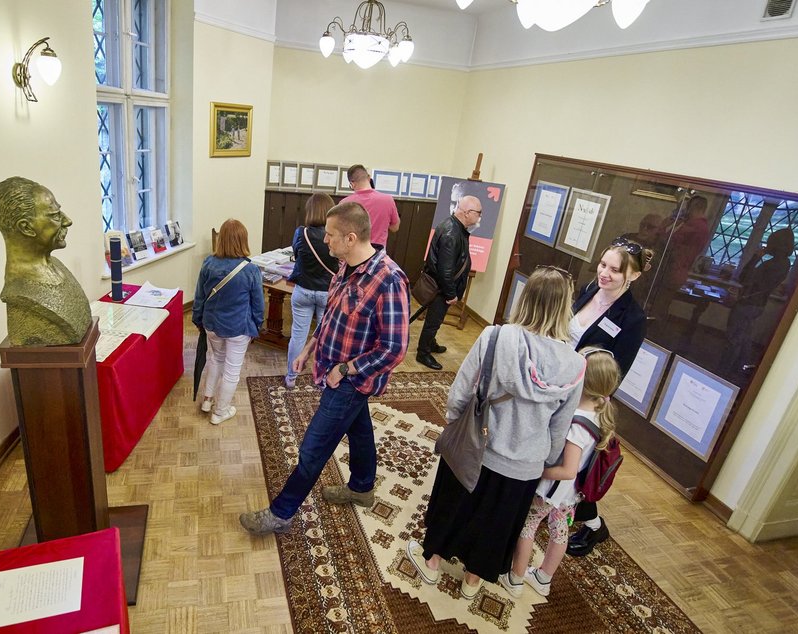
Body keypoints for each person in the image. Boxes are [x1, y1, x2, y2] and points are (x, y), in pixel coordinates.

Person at [405, 266, 586, 600]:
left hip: (477, 445)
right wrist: (544, 460)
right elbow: (560, 425)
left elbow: (461, 390)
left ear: (526, 298)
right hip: (525, 463)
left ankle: (432, 562)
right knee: (497, 522)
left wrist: (453, 422)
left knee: (454, 505)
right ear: (565, 308)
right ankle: (472, 580)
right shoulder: (575, 365)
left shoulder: (496, 337)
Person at [240, 202, 410, 535]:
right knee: (360, 430)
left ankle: (281, 513)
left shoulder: (389, 280)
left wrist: (346, 370)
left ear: (351, 237)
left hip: (350, 380)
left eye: (331, 235)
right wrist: (308, 348)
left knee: (313, 449)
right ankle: (362, 488)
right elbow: (332, 316)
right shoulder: (345, 266)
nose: (325, 240)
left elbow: (394, 349)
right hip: (334, 368)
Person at [498, 347, 622, 598]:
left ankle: (515, 578)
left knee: (528, 525)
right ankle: (543, 578)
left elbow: (568, 470)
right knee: (559, 530)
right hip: (570, 495)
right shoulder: (599, 413)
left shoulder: (577, 423)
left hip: (551, 490)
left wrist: (539, 471)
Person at [566, 236, 654, 557]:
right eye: (603, 265)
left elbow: (615, 375)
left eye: (614, 270)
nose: (604, 273)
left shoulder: (633, 319)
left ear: (634, 275)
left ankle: (594, 526)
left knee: (574, 467)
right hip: (561, 383)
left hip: (585, 398)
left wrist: (584, 403)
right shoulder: (590, 289)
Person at [0, 176, 92, 346]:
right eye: (55, 216)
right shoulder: (19, 294)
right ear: (26, 227)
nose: (67, 221)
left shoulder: (58, 266)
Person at [192, 219, 264, 425]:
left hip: (212, 324)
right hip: (238, 327)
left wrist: (198, 320)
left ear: (221, 239)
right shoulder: (251, 270)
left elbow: (199, 297)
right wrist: (257, 326)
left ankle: (207, 400)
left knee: (216, 359)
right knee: (232, 370)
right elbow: (258, 305)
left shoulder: (208, 263)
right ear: (243, 240)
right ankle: (220, 412)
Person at [416, 195, 482, 370]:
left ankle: (430, 343)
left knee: (436, 319)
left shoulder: (454, 226)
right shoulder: (452, 233)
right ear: (467, 213)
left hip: (442, 287)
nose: (480, 217)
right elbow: (445, 270)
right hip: (441, 288)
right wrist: (451, 294)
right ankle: (423, 353)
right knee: (433, 321)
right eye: (478, 213)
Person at [285, 193, 340, 389]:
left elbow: (296, 254)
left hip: (303, 290)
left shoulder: (301, 233)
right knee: (325, 338)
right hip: (327, 293)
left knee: (298, 335)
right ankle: (322, 379)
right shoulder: (334, 236)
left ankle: (291, 377)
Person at [723, 228, 794, 375]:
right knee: (744, 338)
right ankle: (737, 370)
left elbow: (744, 278)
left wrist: (755, 257)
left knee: (733, 339)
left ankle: (723, 371)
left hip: (748, 303)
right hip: (759, 305)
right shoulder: (785, 264)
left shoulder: (771, 265)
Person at [340, 164, 399, 248]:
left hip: (354, 250)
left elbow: (341, 230)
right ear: (369, 178)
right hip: (378, 251)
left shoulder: (345, 203)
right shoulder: (388, 199)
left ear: (352, 184)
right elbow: (395, 227)